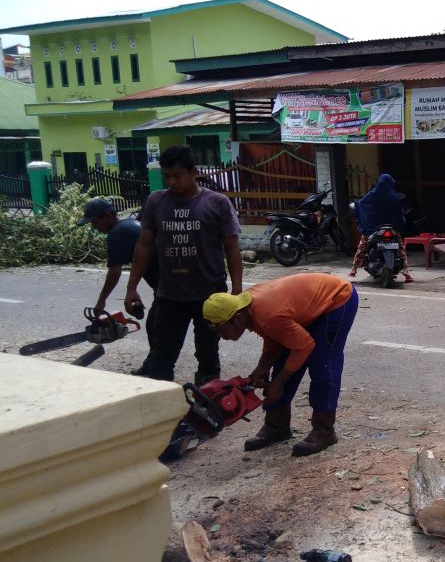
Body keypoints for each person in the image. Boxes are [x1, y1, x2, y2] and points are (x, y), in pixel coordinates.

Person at [202, 273, 358, 457]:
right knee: (282, 361)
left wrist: (279, 384)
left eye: (221, 331)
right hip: (303, 308)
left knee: (322, 364)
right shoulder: (248, 309)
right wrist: (263, 367)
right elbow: (274, 336)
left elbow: (303, 345)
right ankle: (277, 426)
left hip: (336, 300)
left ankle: (324, 430)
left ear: (236, 319)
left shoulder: (267, 313)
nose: (222, 337)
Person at [124, 145, 243, 385]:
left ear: (193, 172)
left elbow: (231, 247)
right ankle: (161, 409)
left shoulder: (217, 203)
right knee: (161, 357)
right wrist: (131, 287)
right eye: (167, 175)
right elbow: (143, 246)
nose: (171, 181)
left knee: (208, 357)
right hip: (170, 295)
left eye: (177, 175)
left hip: (210, 296)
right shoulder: (156, 202)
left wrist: (237, 291)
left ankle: (206, 410)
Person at [78, 197, 159, 313]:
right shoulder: (130, 223)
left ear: (107, 215)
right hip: (170, 281)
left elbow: (115, 271)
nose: (94, 227)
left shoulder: (117, 233)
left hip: (168, 287)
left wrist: (101, 301)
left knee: (157, 328)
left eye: (95, 222)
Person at [349, 172, 413, 282]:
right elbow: (400, 212)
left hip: (374, 227)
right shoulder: (394, 197)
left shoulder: (372, 195)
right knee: (401, 247)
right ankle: (406, 272)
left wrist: (355, 204)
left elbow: (361, 204)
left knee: (362, 245)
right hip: (392, 227)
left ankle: (354, 269)